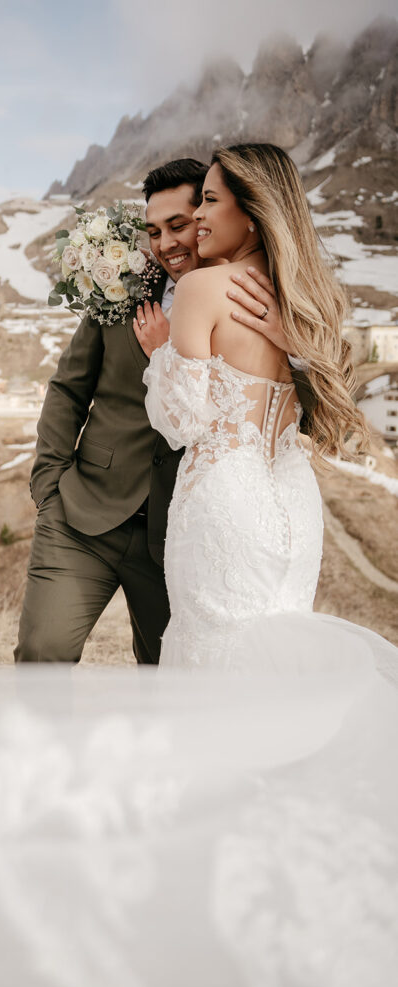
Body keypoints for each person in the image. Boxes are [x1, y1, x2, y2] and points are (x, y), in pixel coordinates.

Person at [14, 158, 315, 664]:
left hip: (181, 532)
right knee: (42, 652)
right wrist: (49, 485)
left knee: (170, 678)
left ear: (204, 216)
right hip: (86, 512)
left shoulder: (254, 298)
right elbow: (69, 388)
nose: (167, 243)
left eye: (178, 225)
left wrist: (295, 346)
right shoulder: (122, 293)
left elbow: (288, 403)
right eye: (153, 231)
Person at [137, 142, 397, 675]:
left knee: (212, 654)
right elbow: (332, 415)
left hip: (222, 499)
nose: (199, 216)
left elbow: (182, 423)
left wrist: (161, 354)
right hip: (294, 503)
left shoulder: (200, 288)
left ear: (253, 213)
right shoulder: (308, 301)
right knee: (279, 660)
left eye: (209, 201)